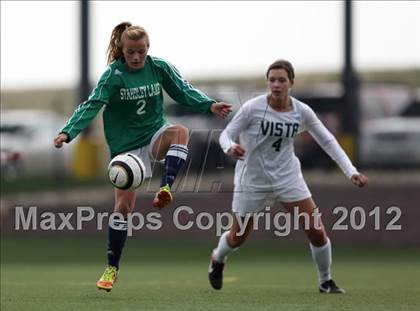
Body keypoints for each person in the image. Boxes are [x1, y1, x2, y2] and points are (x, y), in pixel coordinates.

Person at [54, 21, 232, 292]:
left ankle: (166, 187)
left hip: (154, 135)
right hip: (126, 149)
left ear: (148, 49)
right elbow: (92, 105)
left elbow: (182, 90)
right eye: (131, 52)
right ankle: (112, 267)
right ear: (122, 50)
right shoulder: (113, 75)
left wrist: (209, 105)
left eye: (141, 51)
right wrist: (68, 132)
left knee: (180, 132)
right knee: (123, 209)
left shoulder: (158, 67)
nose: (137, 57)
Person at [208, 59, 368, 294]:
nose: (276, 84)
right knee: (238, 237)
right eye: (272, 80)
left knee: (316, 230)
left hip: (287, 177)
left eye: (281, 80)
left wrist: (351, 171)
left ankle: (326, 281)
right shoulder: (253, 108)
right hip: (252, 180)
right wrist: (229, 147)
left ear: (291, 82)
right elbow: (226, 135)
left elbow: (327, 140)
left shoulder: (301, 111)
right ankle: (217, 258)